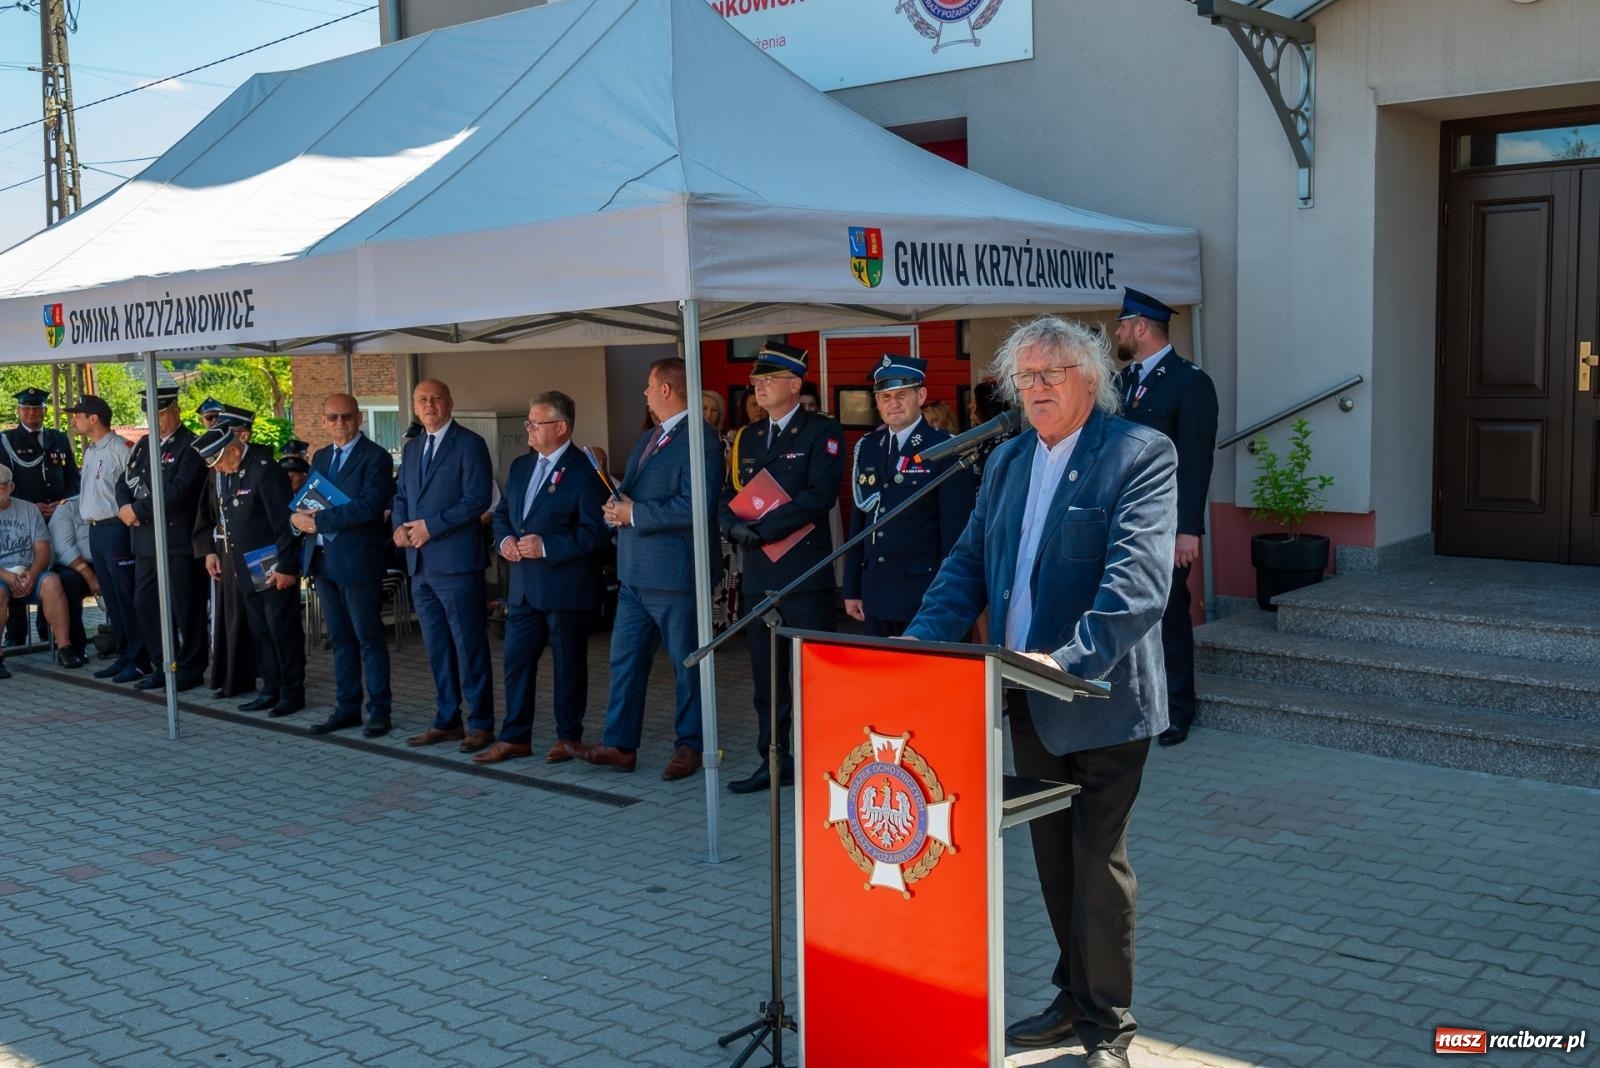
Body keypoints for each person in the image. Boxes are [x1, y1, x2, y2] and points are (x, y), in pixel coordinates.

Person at [905, 316, 1175, 1067]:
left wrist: (1070, 661)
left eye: (1054, 373)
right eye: (1027, 376)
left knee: (1097, 864)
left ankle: (1109, 1025)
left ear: (1092, 378)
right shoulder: (1009, 460)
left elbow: (1138, 586)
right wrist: (916, 648)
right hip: (1023, 696)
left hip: (1101, 698)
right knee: (1055, 864)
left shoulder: (1139, 453)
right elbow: (966, 564)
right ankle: (1070, 996)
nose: (1039, 387)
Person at [579, 358, 721, 780]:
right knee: (624, 661)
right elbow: (630, 494)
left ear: (666, 389)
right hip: (635, 573)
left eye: (647, 385)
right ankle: (620, 744)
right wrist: (614, 508)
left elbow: (695, 505)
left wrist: (634, 513)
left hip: (676, 573)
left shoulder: (701, 439)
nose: (642, 392)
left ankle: (691, 745)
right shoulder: (649, 438)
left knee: (686, 665)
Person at [719, 341, 844, 793]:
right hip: (758, 571)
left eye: (768, 378)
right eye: (757, 379)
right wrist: (735, 530)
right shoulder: (748, 438)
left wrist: (766, 529)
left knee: (810, 674)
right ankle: (773, 759)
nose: (758, 385)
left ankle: (821, 759)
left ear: (795, 385)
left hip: (802, 573)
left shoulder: (820, 432)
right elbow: (727, 495)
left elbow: (819, 495)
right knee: (766, 678)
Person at [477, 392, 608, 765]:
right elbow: (502, 513)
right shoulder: (520, 466)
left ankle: (568, 737)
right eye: (528, 422)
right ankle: (515, 736)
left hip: (564, 587)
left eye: (536, 423)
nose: (529, 429)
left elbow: (597, 533)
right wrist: (503, 539)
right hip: (522, 588)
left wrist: (547, 546)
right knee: (516, 661)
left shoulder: (584, 472)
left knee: (568, 666)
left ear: (561, 428)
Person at [1112, 287, 1219, 748]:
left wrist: (1187, 529)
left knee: (1169, 615)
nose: (1116, 332)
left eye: (1121, 325)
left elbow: (1196, 462)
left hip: (1163, 525)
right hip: (1119, 522)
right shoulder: (1119, 383)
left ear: (1139, 327)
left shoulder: (1190, 382)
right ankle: (1131, 705)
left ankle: (1177, 709)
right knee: (1121, 613)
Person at [392, 379, 497, 752]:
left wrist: (430, 527)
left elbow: (477, 499)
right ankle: (447, 719)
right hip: (420, 565)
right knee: (436, 646)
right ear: (415, 407)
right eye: (422, 399)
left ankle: (481, 723)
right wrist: (399, 529)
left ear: (450, 402)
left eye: (436, 398)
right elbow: (402, 495)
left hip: (456, 565)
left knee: (469, 646)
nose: (429, 405)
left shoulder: (470, 444)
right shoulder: (413, 447)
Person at [843, 355, 976, 637]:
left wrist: (947, 598)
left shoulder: (944, 448)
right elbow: (859, 524)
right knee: (881, 677)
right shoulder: (868, 447)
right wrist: (851, 587)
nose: (894, 403)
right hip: (876, 591)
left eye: (902, 395)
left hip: (924, 593)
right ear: (877, 402)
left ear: (921, 396)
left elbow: (954, 534)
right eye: (886, 396)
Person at [292, 394, 396, 737]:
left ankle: (379, 710)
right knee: (340, 639)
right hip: (323, 561)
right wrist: (297, 518)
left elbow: (369, 506)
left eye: (347, 417)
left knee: (368, 638)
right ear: (323, 421)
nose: (340, 423)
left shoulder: (376, 457)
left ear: (359, 418)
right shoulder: (321, 456)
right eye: (333, 417)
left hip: (358, 562)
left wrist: (318, 522)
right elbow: (310, 499)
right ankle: (347, 707)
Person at [193, 427, 306, 716]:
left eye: (219, 461)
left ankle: (292, 692)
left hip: (271, 560)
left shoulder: (264, 470)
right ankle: (270, 687)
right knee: (260, 629)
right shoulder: (227, 472)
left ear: (232, 450)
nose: (217, 469)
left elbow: (284, 524)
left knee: (281, 628)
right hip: (245, 563)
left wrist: (286, 567)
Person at [116, 386, 209, 691]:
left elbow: (179, 491)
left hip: (176, 541)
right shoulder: (143, 445)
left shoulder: (190, 446)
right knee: (146, 603)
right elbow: (124, 480)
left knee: (185, 606)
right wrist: (125, 508)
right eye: (150, 413)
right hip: (145, 540)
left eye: (161, 412)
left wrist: (138, 509)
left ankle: (191, 667)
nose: (155, 419)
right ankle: (162, 663)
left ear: (176, 410)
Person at [67, 395, 147, 682]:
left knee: (127, 595)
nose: (73, 420)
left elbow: (138, 486)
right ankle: (125, 654)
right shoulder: (90, 450)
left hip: (116, 528)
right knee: (112, 598)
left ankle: (140, 658)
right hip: (97, 530)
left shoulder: (120, 449)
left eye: (78, 415)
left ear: (94, 418)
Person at [3, 387, 80, 648]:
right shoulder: (6, 440)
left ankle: (49, 629)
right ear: (19, 411)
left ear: (45, 411)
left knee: (52, 569)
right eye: (26, 408)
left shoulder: (57, 438)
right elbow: (4, 480)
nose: (31, 413)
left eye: (36, 408)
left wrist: (62, 504)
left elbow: (72, 477)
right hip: (23, 514)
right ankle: (16, 634)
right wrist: (29, 505)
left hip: (57, 514)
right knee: (18, 563)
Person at [201, 408, 262, 701]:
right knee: (229, 616)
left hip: (256, 552)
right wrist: (208, 552)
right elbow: (206, 513)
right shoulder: (217, 471)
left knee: (260, 616)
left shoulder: (258, 466)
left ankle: (270, 679)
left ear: (243, 435)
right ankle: (232, 678)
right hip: (224, 549)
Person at [0, 464, 84, 675]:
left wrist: (33, 573)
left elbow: (42, 549)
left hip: (29, 571)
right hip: (1, 576)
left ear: (12, 486)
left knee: (53, 582)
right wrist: (8, 577)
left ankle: (65, 647)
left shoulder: (28, 510)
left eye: (3, 485)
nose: (0, 489)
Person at [45, 495, 95, 658]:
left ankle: (126, 642)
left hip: (104, 561)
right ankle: (74, 647)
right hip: (75, 565)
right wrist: (90, 576)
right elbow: (63, 549)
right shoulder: (68, 507)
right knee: (67, 582)